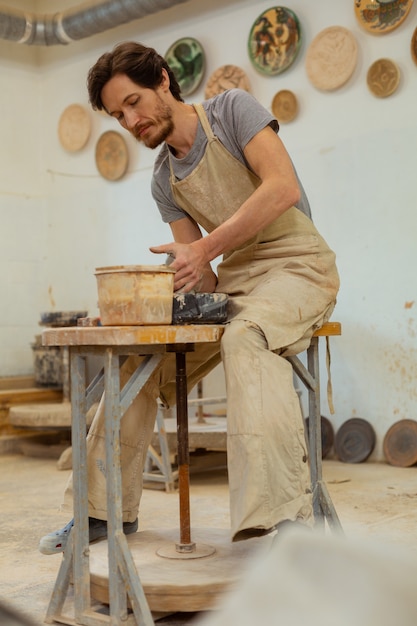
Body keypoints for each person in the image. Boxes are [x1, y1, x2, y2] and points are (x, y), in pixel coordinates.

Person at [39, 41, 339, 555]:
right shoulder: (163, 179)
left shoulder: (231, 111)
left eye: (132, 102)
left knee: (248, 337)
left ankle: (284, 521)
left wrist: (204, 250)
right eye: (117, 115)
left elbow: (282, 187)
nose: (129, 121)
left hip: (298, 265)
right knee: (141, 360)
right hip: (238, 279)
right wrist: (130, 307)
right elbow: (197, 273)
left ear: (161, 79)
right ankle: (99, 511)